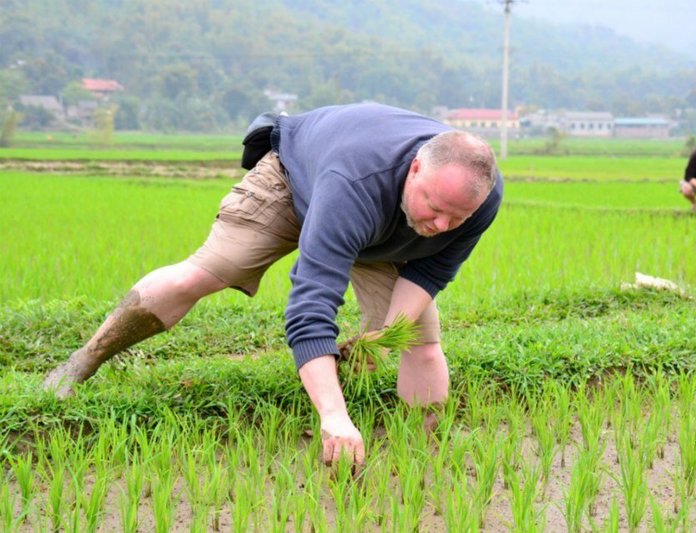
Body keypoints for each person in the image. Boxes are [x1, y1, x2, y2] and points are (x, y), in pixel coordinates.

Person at [43, 103, 503, 466]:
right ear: (417, 169)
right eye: (434, 206)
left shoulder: (476, 199)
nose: (442, 224)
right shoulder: (356, 182)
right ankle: (83, 360)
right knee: (208, 271)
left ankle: (424, 453)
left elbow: (429, 272)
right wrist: (334, 417)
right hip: (294, 182)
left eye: (454, 217)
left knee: (420, 339)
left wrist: (383, 337)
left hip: (381, 227)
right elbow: (310, 308)